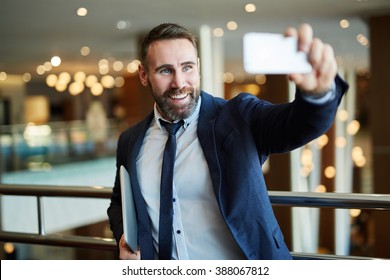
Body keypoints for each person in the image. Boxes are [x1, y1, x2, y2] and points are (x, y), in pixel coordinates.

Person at [107, 23, 349, 260]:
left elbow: (296, 125)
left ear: (198, 68)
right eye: (165, 70)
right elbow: (119, 203)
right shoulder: (131, 141)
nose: (179, 82)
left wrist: (317, 96)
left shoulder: (239, 116)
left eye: (187, 67)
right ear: (143, 75)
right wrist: (124, 238)